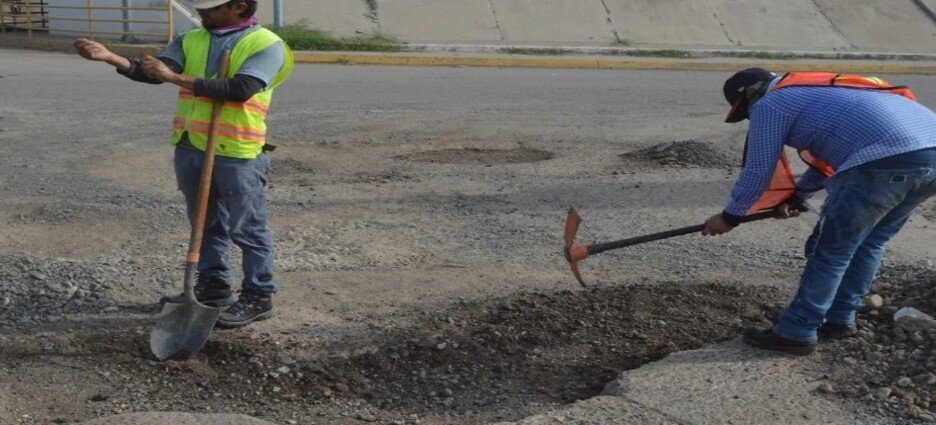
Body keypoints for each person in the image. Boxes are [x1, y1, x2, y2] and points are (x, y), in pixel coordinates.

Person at [74, 0, 294, 328]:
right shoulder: (191, 39)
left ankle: (259, 295)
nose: (201, 13)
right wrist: (111, 58)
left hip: (237, 151)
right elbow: (154, 72)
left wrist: (177, 79)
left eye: (211, 8)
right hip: (192, 144)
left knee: (247, 227)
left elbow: (241, 89)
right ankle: (214, 287)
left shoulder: (267, 45)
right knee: (205, 221)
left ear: (239, 6)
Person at [702, 68, 936, 355]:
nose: (751, 118)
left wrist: (730, 217)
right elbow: (826, 159)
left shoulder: (770, 103)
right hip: (928, 158)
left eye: (746, 113)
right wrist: (797, 196)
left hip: (884, 162)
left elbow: (759, 168)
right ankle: (840, 318)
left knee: (831, 251)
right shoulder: (829, 91)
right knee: (869, 242)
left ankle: (796, 331)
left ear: (751, 96)